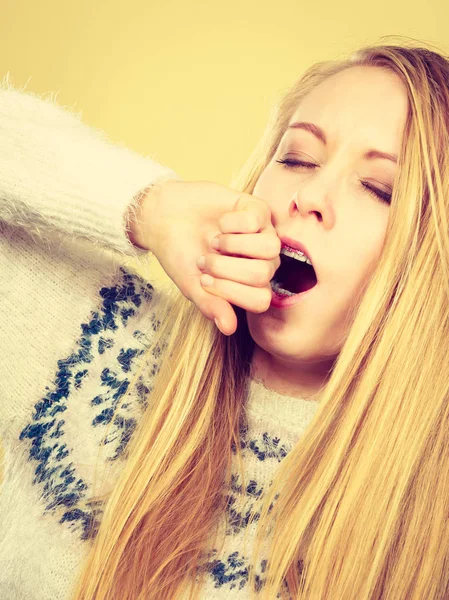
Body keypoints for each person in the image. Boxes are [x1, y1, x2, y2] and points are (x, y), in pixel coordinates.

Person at [0, 39, 448, 600]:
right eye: (297, 159)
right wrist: (148, 205)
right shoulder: (96, 352)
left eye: (380, 189)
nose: (308, 194)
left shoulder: (430, 520)